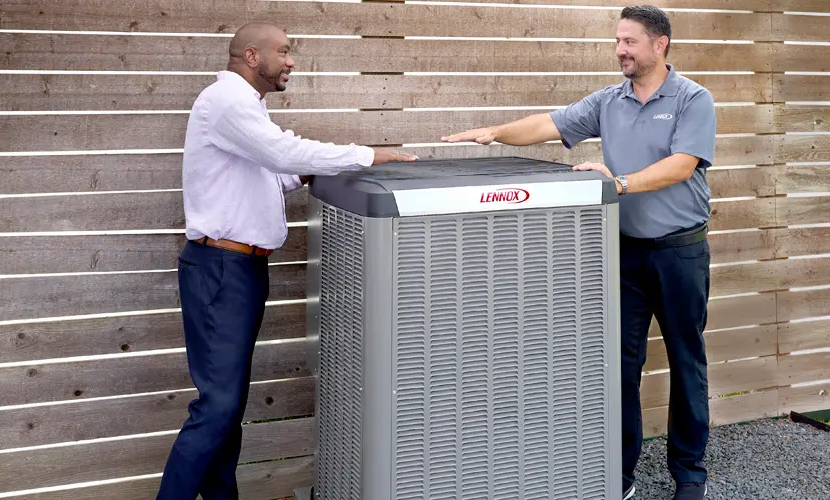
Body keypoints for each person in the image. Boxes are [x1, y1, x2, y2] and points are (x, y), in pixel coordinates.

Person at [441, 5, 716, 500]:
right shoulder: (608, 101)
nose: (620, 51)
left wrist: (621, 182)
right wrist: (495, 133)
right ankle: (620, 475)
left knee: (686, 361)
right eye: (617, 41)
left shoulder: (693, 99)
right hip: (625, 255)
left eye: (630, 42)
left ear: (660, 45)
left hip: (680, 254)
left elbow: (682, 165)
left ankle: (690, 476)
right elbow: (551, 123)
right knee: (619, 366)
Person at [157, 22, 416, 500]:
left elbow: (270, 175)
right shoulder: (227, 102)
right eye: (285, 52)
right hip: (220, 272)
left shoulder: (245, 111)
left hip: (239, 270)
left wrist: (314, 170)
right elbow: (281, 152)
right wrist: (366, 156)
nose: (292, 61)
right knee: (217, 409)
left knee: (226, 409)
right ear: (252, 57)